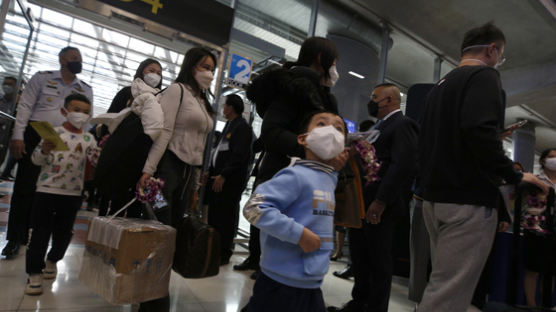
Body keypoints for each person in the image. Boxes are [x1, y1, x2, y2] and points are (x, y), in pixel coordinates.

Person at [416, 23, 548, 312]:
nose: (499, 61)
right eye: (501, 55)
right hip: (468, 201)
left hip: (436, 199)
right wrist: (514, 174)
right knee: (449, 293)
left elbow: (436, 140)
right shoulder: (485, 75)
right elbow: (478, 131)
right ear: (492, 49)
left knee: (443, 283)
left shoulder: (442, 84)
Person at [237, 36, 347, 277]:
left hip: (311, 177)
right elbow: (272, 132)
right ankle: (267, 273)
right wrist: (310, 150)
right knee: (277, 237)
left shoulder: (324, 95)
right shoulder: (295, 87)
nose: (335, 67)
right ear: (321, 58)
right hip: (284, 171)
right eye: (334, 61)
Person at [243, 111, 347, 312]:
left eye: (339, 128)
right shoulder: (296, 174)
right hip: (280, 280)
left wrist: (335, 169)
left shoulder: (328, 178)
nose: (331, 131)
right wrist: (299, 234)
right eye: (321, 124)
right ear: (303, 139)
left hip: (311, 280)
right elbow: (254, 207)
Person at [137, 47, 216, 312]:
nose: (209, 73)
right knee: (160, 237)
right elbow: (164, 132)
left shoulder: (203, 101)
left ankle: (152, 298)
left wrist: (195, 188)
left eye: (212, 68)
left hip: (185, 179)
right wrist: (148, 171)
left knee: (171, 238)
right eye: (204, 66)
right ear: (191, 66)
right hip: (164, 176)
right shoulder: (176, 91)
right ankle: (154, 303)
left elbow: (201, 145)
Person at [330, 83, 419, 312]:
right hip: (361, 202)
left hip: (381, 206)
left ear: (388, 100)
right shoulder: (379, 126)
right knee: (360, 256)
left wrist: (381, 201)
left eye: (374, 97)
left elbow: (402, 166)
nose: (371, 101)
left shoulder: (402, 125)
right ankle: (359, 302)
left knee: (378, 260)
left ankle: (375, 307)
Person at [2, 46, 93, 258]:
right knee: (25, 187)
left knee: (53, 192)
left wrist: (83, 148)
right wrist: (18, 135)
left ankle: (41, 238)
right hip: (37, 135)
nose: (76, 61)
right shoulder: (42, 78)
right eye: (72, 57)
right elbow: (24, 106)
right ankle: (16, 238)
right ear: (61, 59)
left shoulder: (84, 88)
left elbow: (87, 120)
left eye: (79, 58)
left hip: (68, 141)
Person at [24, 94, 97, 295]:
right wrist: (45, 150)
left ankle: (53, 259)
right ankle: (34, 273)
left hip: (73, 194)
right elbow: (35, 160)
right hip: (46, 191)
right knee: (39, 232)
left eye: (84, 112)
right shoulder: (52, 134)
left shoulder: (89, 139)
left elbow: (94, 164)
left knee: (64, 233)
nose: (79, 115)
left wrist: (97, 158)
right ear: (65, 111)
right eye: (75, 110)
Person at [95, 58, 163, 217]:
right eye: (151, 70)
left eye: (159, 73)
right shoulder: (127, 92)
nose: (155, 75)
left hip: (141, 158)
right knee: (112, 201)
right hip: (119, 154)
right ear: (141, 71)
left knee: (135, 203)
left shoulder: (160, 99)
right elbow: (110, 119)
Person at [206, 94, 253, 265]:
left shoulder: (242, 128)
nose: (223, 109)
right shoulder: (229, 125)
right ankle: (213, 249)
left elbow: (238, 156)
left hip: (229, 182)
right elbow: (220, 151)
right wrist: (210, 170)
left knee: (225, 217)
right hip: (217, 178)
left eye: (225, 105)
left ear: (231, 107)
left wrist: (224, 174)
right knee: (215, 215)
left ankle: (224, 252)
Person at [522, 148, 556, 307]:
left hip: (555, 230)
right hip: (535, 229)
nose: (554, 160)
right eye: (551, 157)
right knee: (533, 269)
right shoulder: (535, 180)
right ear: (543, 160)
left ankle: (546, 305)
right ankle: (531, 305)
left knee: (552, 271)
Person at [0, 76, 18, 168]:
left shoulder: (18, 104)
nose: (6, 86)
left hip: (6, 140)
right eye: (5, 84)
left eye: (10, 84)